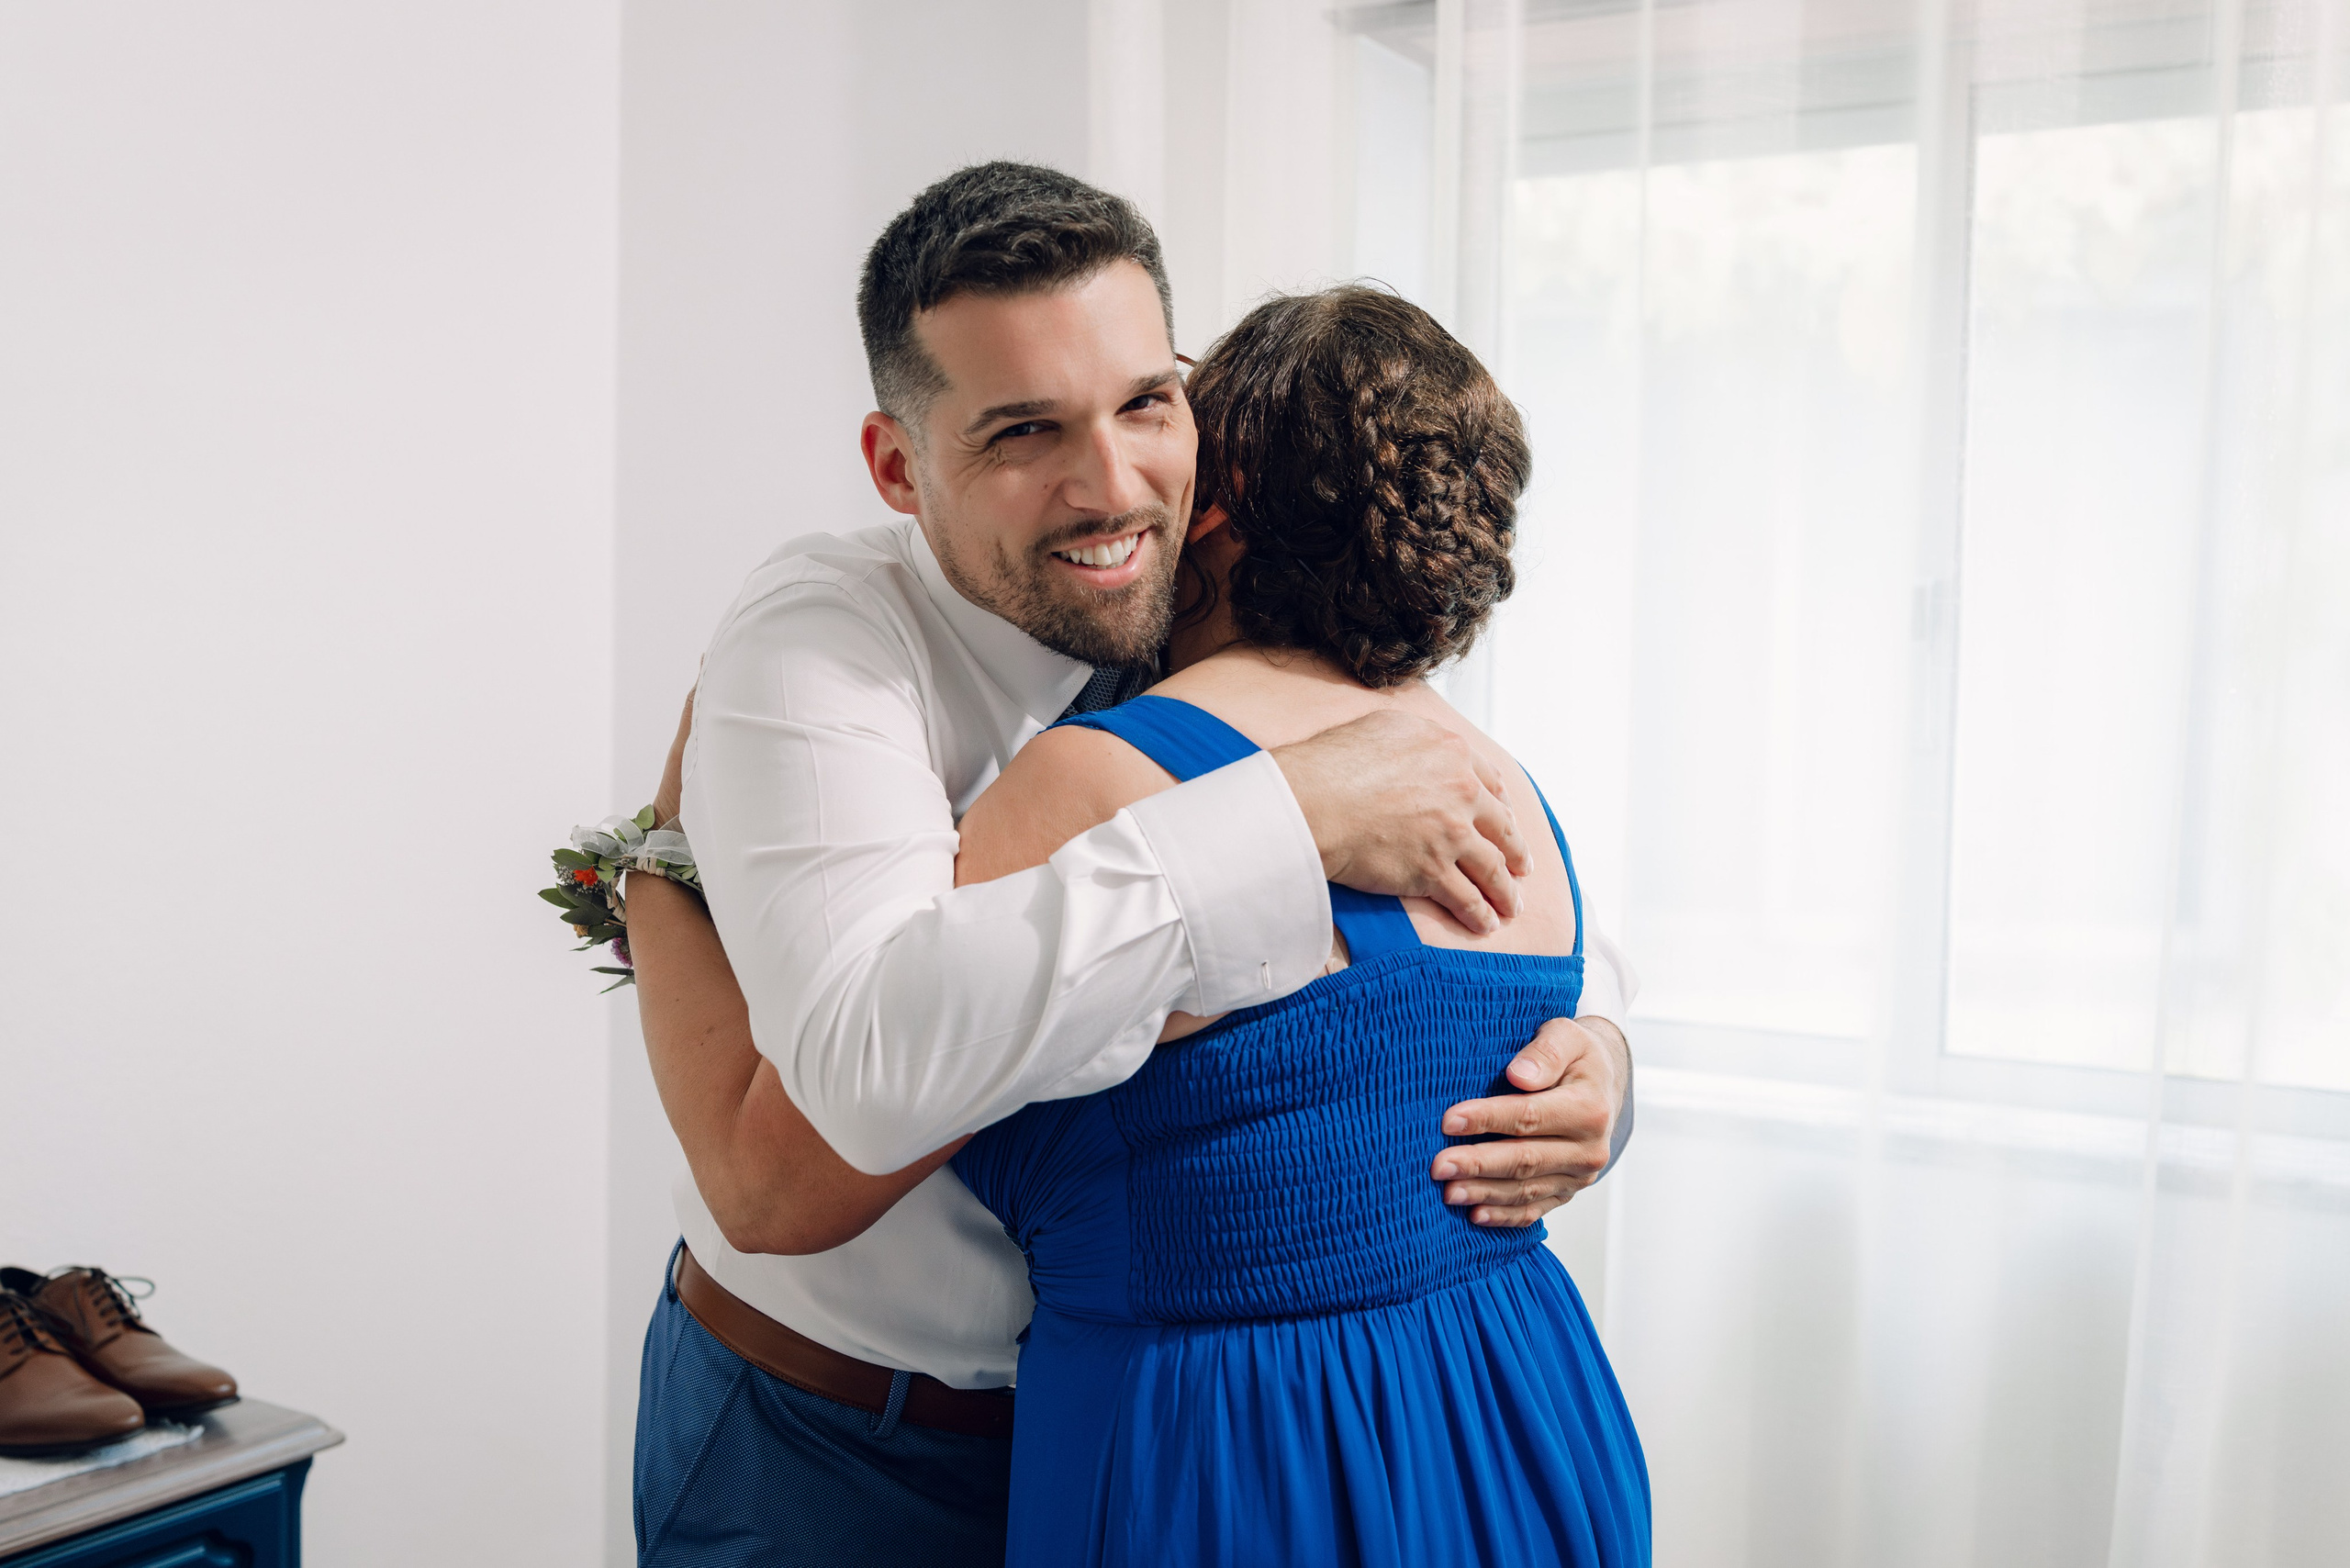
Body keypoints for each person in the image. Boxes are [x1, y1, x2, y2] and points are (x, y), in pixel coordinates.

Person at [620, 163, 1638, 1568]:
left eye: (1147, 404)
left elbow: (1457, 922)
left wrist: (1594, 1062)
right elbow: (792, 1170)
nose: (1112, 485)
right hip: (844, 1445)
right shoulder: (825, 644)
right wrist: (1281, 817)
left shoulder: (1201, 622)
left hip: (1124, 1432)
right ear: (900, 466)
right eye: (1025, 430)